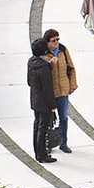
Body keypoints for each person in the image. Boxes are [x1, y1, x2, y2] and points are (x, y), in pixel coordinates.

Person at [41, 28, 77, 154]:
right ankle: (48, 143)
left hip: (63, 90)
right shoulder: (43, 54)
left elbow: (71, 68)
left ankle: (63, 142)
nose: (56, 42)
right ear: (47, 42)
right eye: (53, 40)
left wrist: (72, 84)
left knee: (63, 118)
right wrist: (49, 64)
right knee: (49, 118)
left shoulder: (63, 50)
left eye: (57, 39)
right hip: (50, 92)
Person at [25, 33, 58, 164]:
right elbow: (47, 88)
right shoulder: (43, 68)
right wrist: (52, 104)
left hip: (34, 99)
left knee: (36, 126)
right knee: (42, 128)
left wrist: (49, 66)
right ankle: (42, 155)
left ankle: (37, 152)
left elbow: (30, 81)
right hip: (44, 102)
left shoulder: (31, 62)